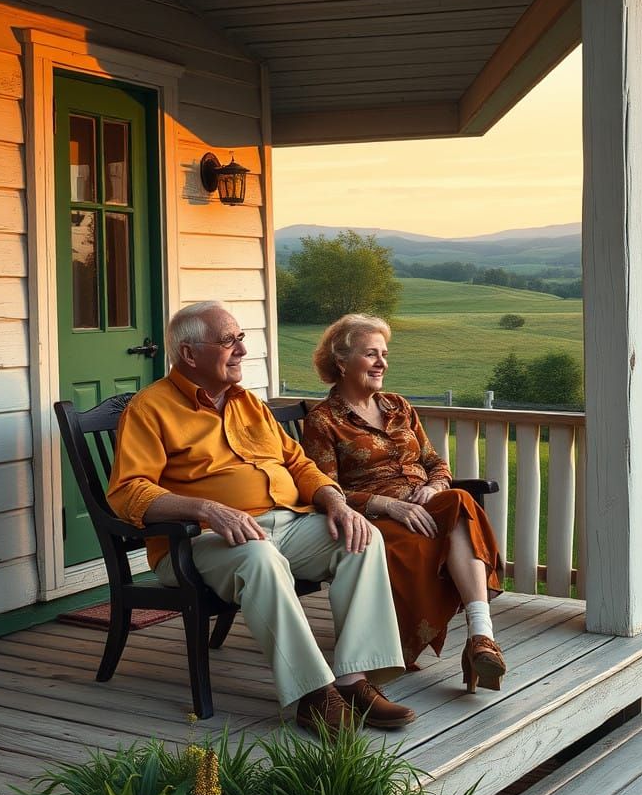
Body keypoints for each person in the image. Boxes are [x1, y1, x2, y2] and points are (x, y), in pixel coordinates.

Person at [106, 301, 414, 733]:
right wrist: (205, 508)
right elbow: (127, 492)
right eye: (228, 340)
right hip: (200, 542)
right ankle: (312, 693)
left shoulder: (247, 403)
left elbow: (299, 463)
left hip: (283, 522)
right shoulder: (151, 408)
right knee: (259, 558)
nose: (241, 350)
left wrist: (336, 502)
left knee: (360, 539)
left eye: (241, 339)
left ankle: (353, 680)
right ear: (190, 354)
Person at [301, 314, 505, 693]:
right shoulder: (323, 421)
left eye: (384, 353)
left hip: (427, 503)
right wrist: (389, 505)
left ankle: (480, 636)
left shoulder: (398, 406)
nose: (382, 362)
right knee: (439, 530)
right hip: (374, 518)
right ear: (342, 362)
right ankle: (479, 634)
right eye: (370, 354)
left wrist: (435, 486)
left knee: (458, 498)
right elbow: (322, 488)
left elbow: (434, 462)